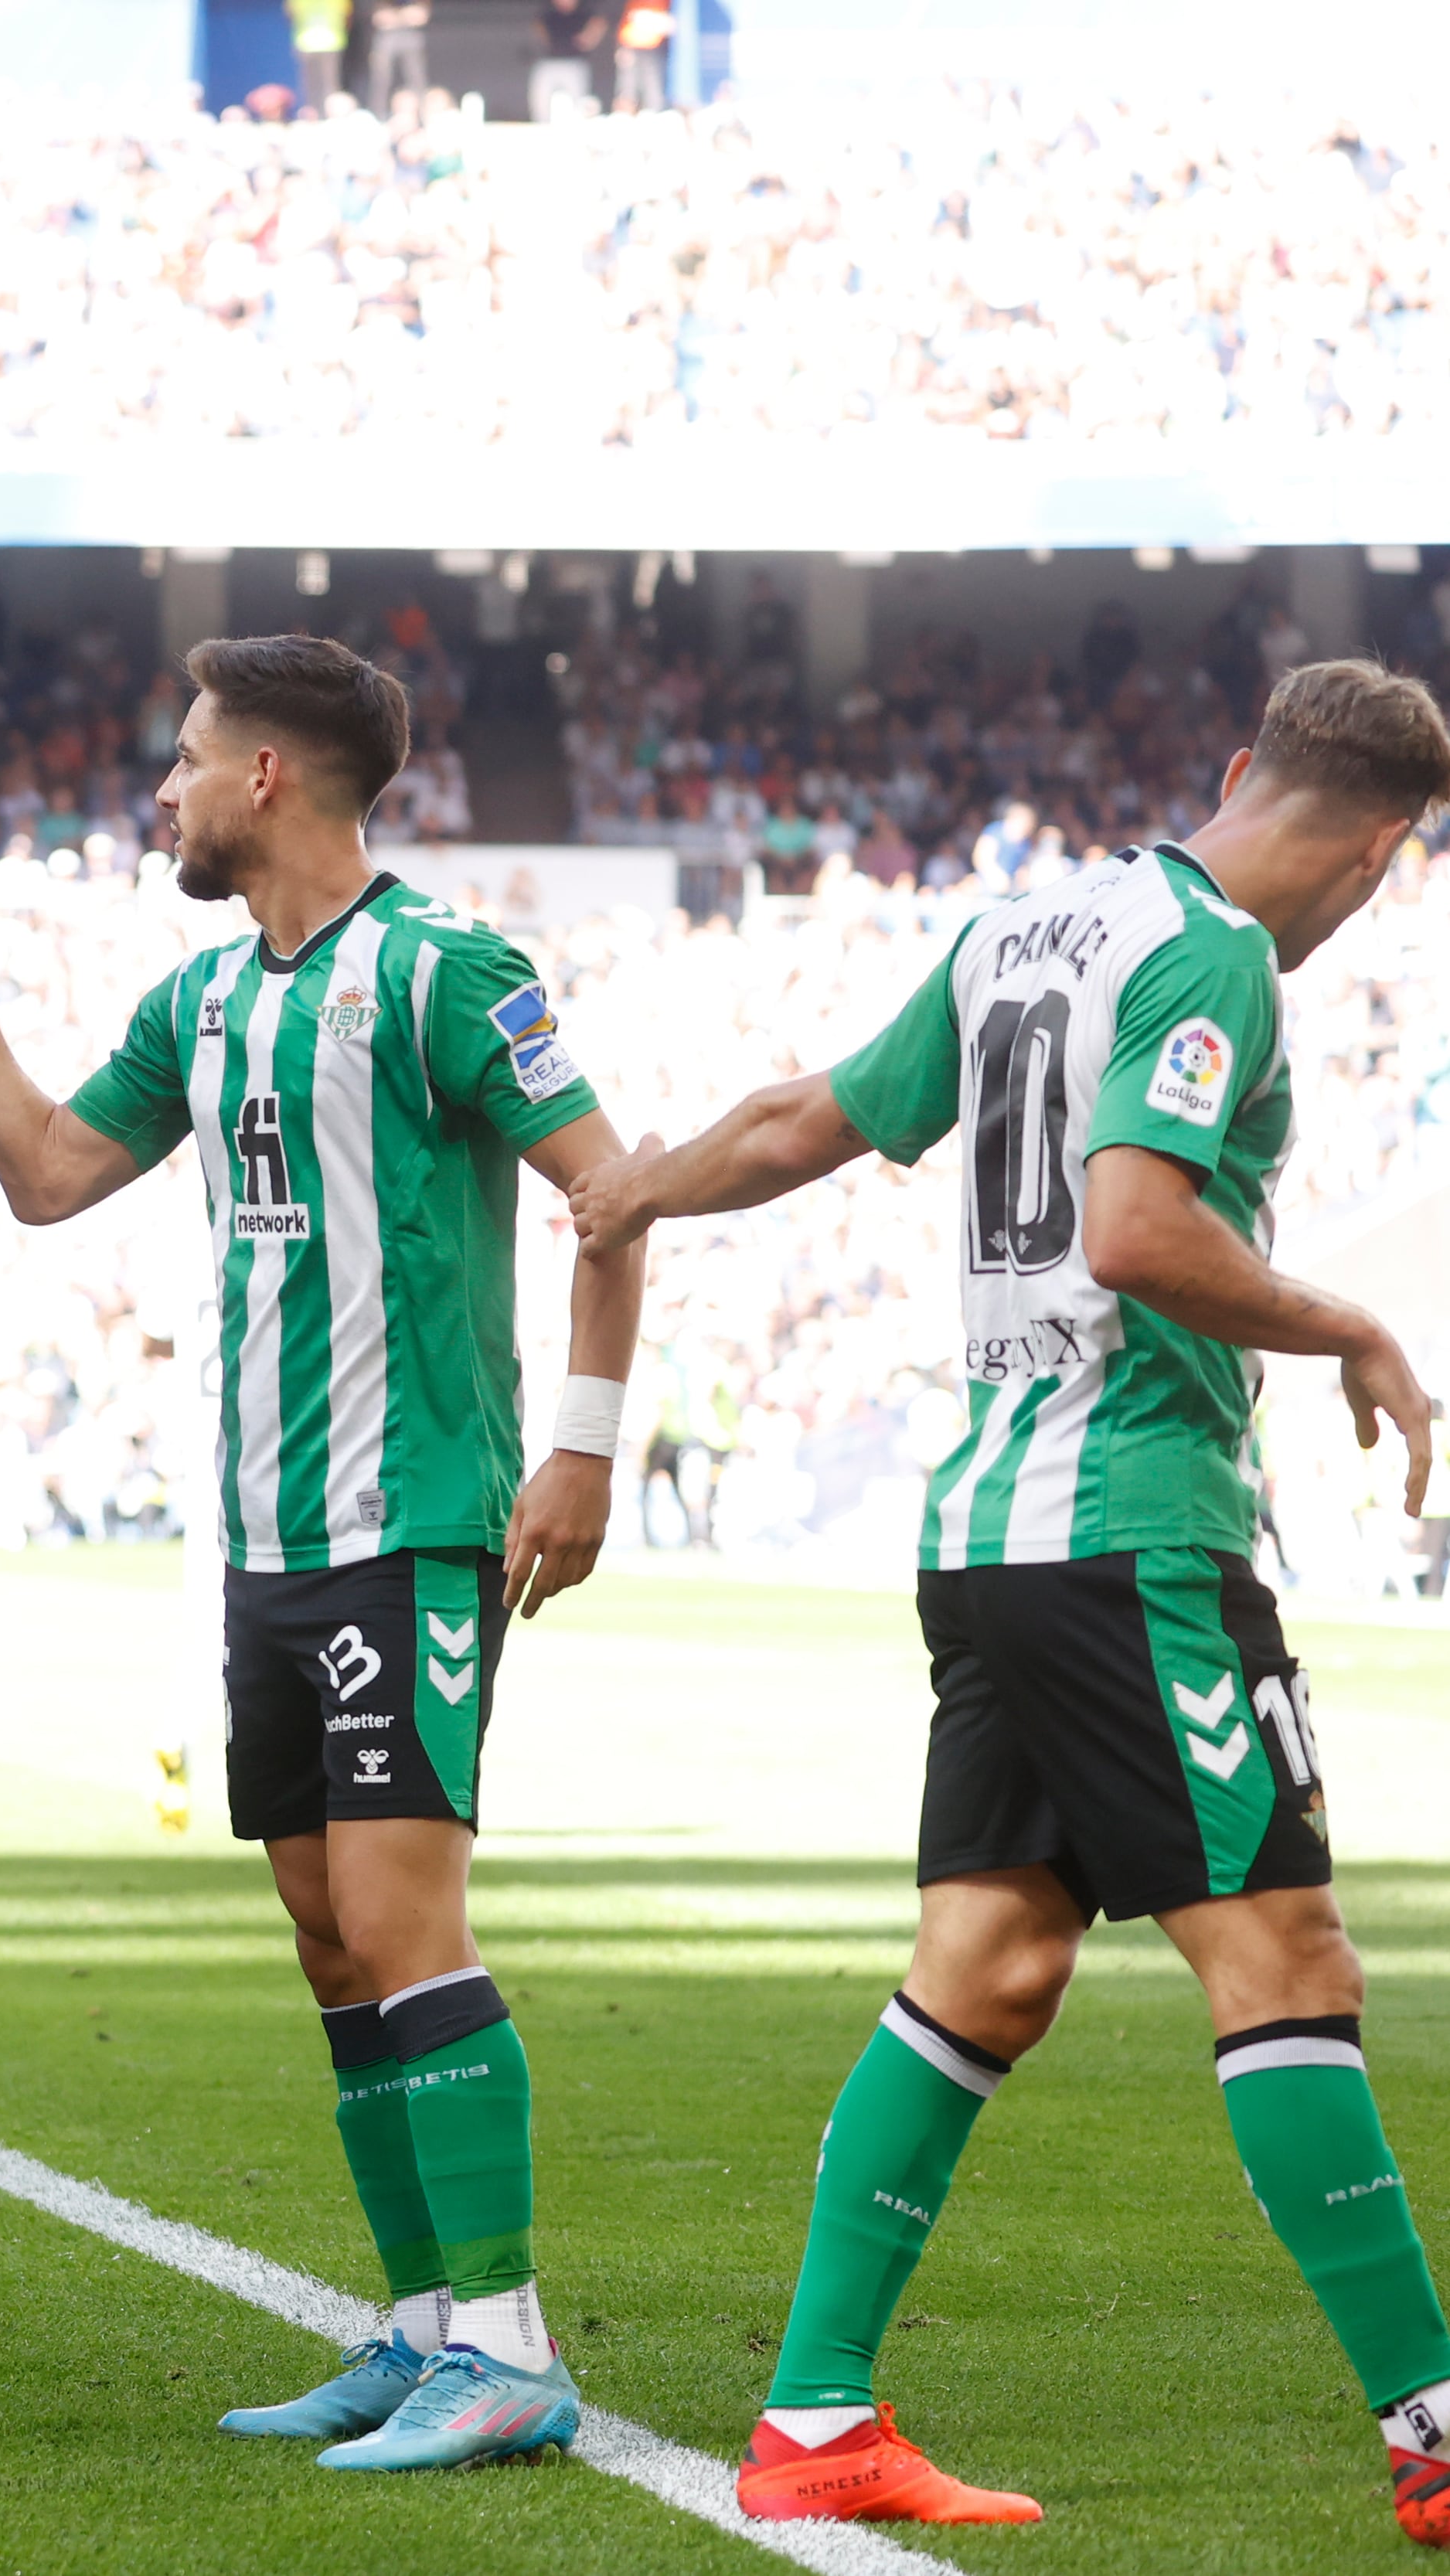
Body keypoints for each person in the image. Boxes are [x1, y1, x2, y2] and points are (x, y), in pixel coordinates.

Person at [570, 660, 1450, 2544]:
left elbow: (807, 1116)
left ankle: (813, 2420)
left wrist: (631, 1189)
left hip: (985, 1536)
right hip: (1135, 1532)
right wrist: (1357, 1324)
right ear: (1388, 850)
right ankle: (1437, 2432)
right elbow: (1136, 1228)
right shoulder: (1208, 954)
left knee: (987, 1964)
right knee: (1290, 1969)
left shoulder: (1020, 923)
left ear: (1235, 768)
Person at [0, 631, 648, 2473]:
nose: (163, 788)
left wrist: (585, 1450)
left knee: (399, 1919)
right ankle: (419, 2327)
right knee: (324, 1936)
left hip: (412, 1525)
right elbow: (49, 1173)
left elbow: (611, 1192)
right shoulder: (202, 1004)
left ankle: (513, 2340)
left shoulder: (449, 976)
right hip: (269, 1542)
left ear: (270, 781)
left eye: (187, 756)